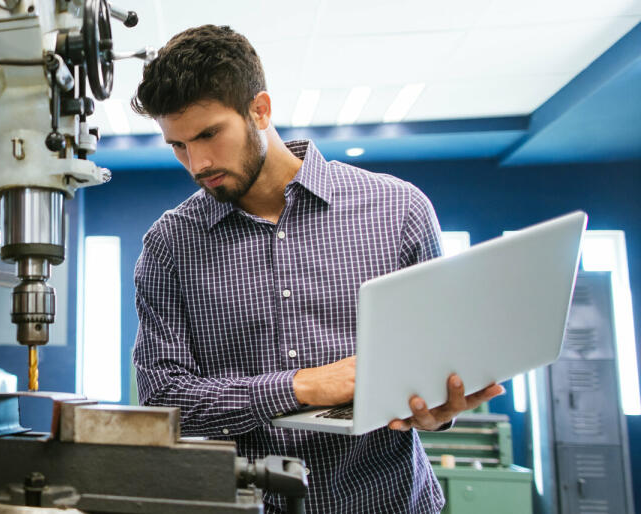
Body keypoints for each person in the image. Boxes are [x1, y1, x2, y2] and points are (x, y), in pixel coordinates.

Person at [129, 25, 504, 513]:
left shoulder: (398, 209)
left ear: (259, 110)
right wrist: (298, 386)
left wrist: (438, 410)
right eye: (177, 145)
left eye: (208, 134)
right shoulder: (169, 245)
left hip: (389, 501)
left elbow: (442, 359)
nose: (197, 163)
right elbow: (164, 397)